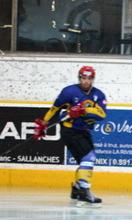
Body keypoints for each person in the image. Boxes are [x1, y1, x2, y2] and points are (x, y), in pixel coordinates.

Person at [34, 65, 107, 204]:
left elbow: (102, 114)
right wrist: (44, 123)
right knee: (89, 157)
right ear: (79, 78)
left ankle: (77, 189)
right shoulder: (69, 92)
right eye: (83, 78)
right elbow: (55, 109)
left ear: (93, 79)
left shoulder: (99, 95)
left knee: (84, 161)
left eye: (89, 78)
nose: (86, 81)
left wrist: (83, 111)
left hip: (84, 131)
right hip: (70, 131)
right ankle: (84, 190)